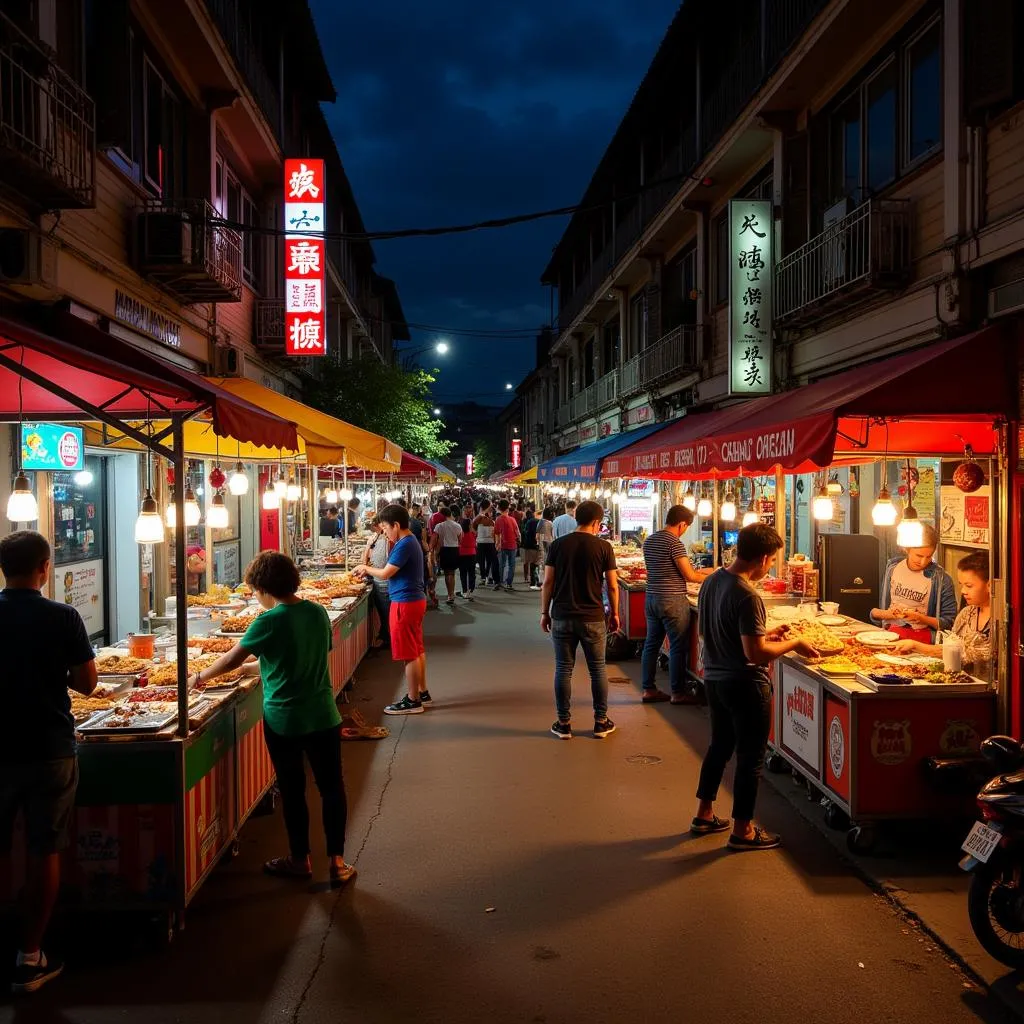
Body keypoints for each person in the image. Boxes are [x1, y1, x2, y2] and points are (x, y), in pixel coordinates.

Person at [191, 551, 356, 885]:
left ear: (265, 588)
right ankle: (338, 862)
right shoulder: (317, 612)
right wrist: (261, 666)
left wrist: (200, 678)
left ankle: (299, 860)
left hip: (285, 721)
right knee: (331, 788)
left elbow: (231, 661)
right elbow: (297, 657)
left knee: (293, 792)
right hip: (323, 715)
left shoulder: (269, 620)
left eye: (254, 591)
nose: (256, 597)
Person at [0, 531, 97, 994]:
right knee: (45, 849)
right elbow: (88, 684)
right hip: (49, 748)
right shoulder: (63, 617)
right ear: (44, 568)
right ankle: (31, 954)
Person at [693, 524, 819, 851]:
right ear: (763, 558)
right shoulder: (747, 595)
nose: (772, 566)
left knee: (719, 747)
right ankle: (743, 830)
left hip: (715, 680)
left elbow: (719, 631)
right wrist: (795, 643)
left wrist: (769, 631)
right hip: (745, 684)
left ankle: (704, 813)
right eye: (773, 560)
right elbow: (755, 654)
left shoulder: (712, 581)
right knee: (751, 758)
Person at [540, 500, 619, 740]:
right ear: (596, 522)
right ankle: (600, 722)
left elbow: (548, 582)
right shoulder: (604, 547)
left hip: (562, 615)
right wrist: (614, 613)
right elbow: (613, 586)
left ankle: (564, 723)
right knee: (598, 669)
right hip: (593, 616)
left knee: (563, 669)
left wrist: (545, 612)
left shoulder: (558, 545)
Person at [354, 504, 431, 715]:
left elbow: (386, 573)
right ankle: (422, 692)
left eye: (386, 528)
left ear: (396, 525)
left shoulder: (404, 544)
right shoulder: (409, 540)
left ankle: (413, 699)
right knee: (416, 649)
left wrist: (365, 568)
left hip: (405, 602)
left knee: (409, 654)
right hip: (414, 599)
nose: (384, 532)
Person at [640, 505, 713, 705]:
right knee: (677, 647)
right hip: (672, 600)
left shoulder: (650, 540)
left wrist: (707, 571)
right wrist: (713, 577)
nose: (686, 530)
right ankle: (677, 692)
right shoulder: (674, 542)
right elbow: (689, 575)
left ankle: (648, 689)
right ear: (681, 524)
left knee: (651, 644)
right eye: (687, 526)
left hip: (652, 598)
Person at [893, 551, 993, 677]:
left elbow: (960, 652)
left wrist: (914, 645)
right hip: (960, 681)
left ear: (990, 585)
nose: (963, 591)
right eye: (962, 585)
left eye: (969, 586)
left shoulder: (1001, 621)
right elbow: (951, 646)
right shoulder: (967, 614)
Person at [870, 524, 957, 643]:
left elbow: (948, 623)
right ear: (907, 549)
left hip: (923, 640)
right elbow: (882, 611)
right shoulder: (893, 568)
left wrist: (921, 619)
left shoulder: (941, 579)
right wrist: (883, 614)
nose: (923, 562)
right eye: (919, 555)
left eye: (929, 557)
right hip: (890, 635)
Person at [362, 518, 392, 648]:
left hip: (383, 582)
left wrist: (366, 568)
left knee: (386, 613)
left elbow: (380, 563)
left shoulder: (386, 541)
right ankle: (386, 636)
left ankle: (387, 638)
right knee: (384, 612)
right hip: (380, 579)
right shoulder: (378, 538)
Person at [431, 507, 463, 605]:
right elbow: (460, 539)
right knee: (452, 573)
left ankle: (449, 594)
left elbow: (434, 539)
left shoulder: (439, 526)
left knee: (446, 573)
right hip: (454, 549)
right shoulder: (457, 526)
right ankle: (451, 595)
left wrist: (433, 552)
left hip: (444, 550)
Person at [494, 499, 522, 592]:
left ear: (499, 508)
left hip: (502, 545)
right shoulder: (512, 519)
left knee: (501, 564)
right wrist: (519, 540)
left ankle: (500, 582)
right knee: (511, 565)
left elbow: (497, 533)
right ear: (507, 508)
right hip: (512, 544)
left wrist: (497, 544)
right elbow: (517, 532)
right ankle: (509, 583)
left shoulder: (498, 519)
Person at [474, 500, 499, 587]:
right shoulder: (489, 520)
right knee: (488, 560)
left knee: (482, 561)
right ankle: (486, 576)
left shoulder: (480, 519)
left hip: (481, 542)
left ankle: (484, 577)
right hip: (489, 542)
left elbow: (474, 524)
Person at [458, 504, 478, 601]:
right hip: (472, 554)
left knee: (463, 573)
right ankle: (471, 590)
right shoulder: (472, 534)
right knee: (471, 572)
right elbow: (475, 540)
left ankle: (464, 590)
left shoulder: (461, 534)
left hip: (462, 554)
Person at [521, 507, 543, 589]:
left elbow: (525, 533)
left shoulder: (528, 522)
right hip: (537, 545)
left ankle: (531, 580)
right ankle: (536, 581)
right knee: (536, 564)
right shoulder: (539, 522)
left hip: (529, 545)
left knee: (529, 563)